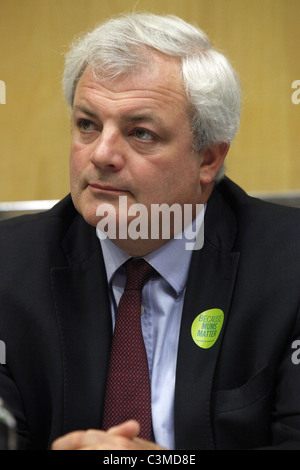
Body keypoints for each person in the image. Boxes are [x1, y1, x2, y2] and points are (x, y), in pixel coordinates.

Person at [0, 12, 300, 451]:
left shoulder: (289, 267)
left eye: (140, 133)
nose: (101, 154)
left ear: (208, 160)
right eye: (87, 124)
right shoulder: (9, 267)